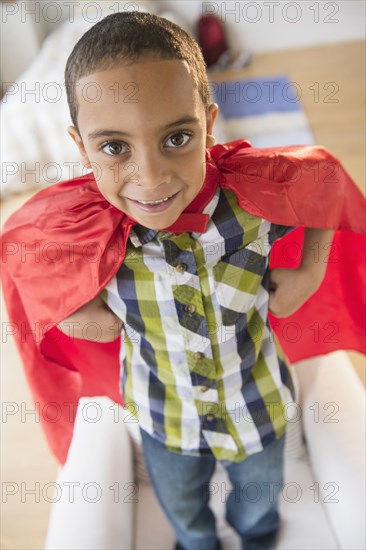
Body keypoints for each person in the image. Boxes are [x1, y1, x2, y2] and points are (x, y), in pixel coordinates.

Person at [1, 11, 365, 550]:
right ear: (81, 148)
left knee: (260, 504)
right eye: (114, 147)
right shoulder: (86, 231)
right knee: (185, 514)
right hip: (161, 415)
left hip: (257, 402)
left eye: (176, 137)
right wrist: (73, 313)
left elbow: (327, 184)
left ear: (209, 123)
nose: (151, 178)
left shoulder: (252, 204)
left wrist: (311, 270)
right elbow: (20, 254)